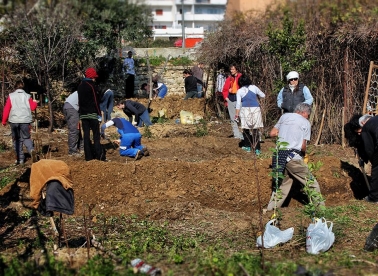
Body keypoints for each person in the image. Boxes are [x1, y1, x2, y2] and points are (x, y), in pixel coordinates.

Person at [266, 103, 324, 210]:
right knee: (312, 183)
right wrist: (304, 153)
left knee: (282, 186)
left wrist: (285, 135)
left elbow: (272, 133)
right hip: (293, 157)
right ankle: (321, 211)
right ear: (304, 112)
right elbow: (303, 146)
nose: (308, 117)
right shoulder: (305, 122)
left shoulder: (284, 116)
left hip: (279, 156)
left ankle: (270, 211)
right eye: (308, 115)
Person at [2, 80, 38, 164]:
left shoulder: (11, 96)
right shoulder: (27, 96)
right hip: (25, 120)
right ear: (23, 87)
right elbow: (32, 107)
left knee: (16, 140)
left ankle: (20, 159)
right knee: (26, 138)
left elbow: (7, 109)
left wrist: (4, 120)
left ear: (15, 87)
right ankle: (31, 150)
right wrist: (35, 103)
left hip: (14, 121)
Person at [345, 114, 378, 203]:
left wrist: (374, 161)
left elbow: (369, 149)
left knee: (376, 171)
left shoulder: (367, 127)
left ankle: (373, 198)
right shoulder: (375, 120)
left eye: (360, 131)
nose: (360, 133)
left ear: (363, 123)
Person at [77, 67, 106, 161]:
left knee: (86, 135)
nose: (95, 79)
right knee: (96, 136)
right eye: (94, 77)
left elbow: (79, 101)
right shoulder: (91, 86)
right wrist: (99, 113)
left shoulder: (80, 85)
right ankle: (99, 156)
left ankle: (88, 157)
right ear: (92, 77)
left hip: (83, 114)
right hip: (92, 114)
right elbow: (95, 101)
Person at [235, 75, 265, 155]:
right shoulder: (254, 87)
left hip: (245, 110)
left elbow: (238, 104)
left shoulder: (240, 91)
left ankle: (247, 146)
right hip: (256, 109)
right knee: (255, 129)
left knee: (246, 129)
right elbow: (263, 95)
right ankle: (257, 149)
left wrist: (236, 115)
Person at [222, 64, 243, 139]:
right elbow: (224, 89)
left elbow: (244, 87)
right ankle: (236, 134)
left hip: (239, 100)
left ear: (237, 69)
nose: (231, 71)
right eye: (231, 69)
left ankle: (244, 134)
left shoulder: (241, 77)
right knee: (232, 118)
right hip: (231, 99)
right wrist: (226, 98)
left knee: (241, 117)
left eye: (233, 69)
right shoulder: (229, 78)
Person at [63, 91, 83, 156]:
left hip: (68, 106)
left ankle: (81, 147)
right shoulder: (87, 90)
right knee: (74, 129)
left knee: (77, 129)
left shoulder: (83, 89)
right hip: (72, 108)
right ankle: (72, 151)